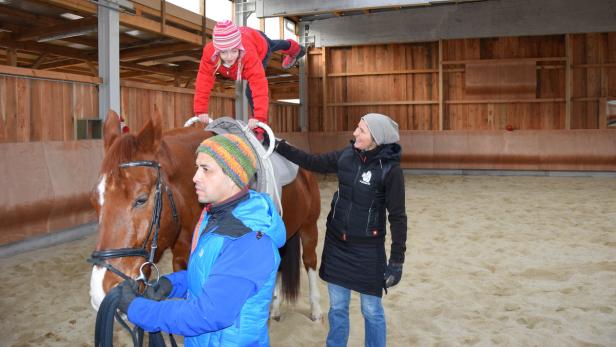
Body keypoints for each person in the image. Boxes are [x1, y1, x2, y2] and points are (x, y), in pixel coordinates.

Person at [117, 133, 286, 346]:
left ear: (234, 177)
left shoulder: (250, 240)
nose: (195, 177)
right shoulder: (215, 215)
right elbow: (213, 274)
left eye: (205, 169)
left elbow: (208, 314)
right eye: (197, 168)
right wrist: (171, 284)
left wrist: (138, 309)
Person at [274, 113, 407, 347]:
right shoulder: (346, 156)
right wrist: (278, 145)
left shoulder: (390, 170)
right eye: (357, 127)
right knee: (337, 309)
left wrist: (396, 261)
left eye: (361, 130)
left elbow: (397, 217)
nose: (355, 133)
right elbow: (310, 161)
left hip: (368, 250)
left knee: (371, 310)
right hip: (337, 247)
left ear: (376, 138)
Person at [194, 19, 306, 138]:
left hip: (260, 44)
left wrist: (259, 118)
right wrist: (200, 109)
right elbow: (203, 80)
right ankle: (295, 48)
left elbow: (259, 86)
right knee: (273, 44)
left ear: (239, 48)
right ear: (217, 51)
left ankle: (260, 132)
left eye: (234, 51)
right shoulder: (209, 54)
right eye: (224, 53)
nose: (229, 57)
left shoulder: (249, 55)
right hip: (249, 35)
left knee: (269, 48)